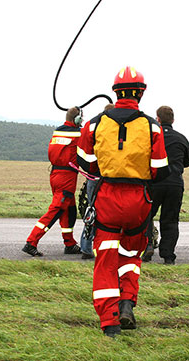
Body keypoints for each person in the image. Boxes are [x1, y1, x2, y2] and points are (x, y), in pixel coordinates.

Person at [77, 66, 170, 337]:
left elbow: (86, 162)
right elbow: (161, 169)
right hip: (139, 199)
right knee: (131, 254)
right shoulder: (152, 126)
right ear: (140, 94)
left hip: (107, 197)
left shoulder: (94, 123)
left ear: (115, 92)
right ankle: (127, 302)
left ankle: (110, 322)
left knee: (105, 257)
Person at [23, 107, 83, 257]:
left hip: (56, 174)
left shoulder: (58, 131)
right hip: (66, 177)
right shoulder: (77, 134)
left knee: (69, 210)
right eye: (81, 118)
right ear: (77, 119)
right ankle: (31, 242)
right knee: (56, 210)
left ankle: (69, 244)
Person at [143, 105, 189, 264]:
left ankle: (147, 246)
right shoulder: (181, 138)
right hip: (175, 184)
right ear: (173, 120)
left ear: (157, 119)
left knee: (146, 216)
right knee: (170, 220)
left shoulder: (151, 137)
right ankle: (168, 255)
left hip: (154, 182)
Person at [78, 103, 115, 260]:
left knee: (92, 210)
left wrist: (91, 170)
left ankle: (86, 247)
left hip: (93, 176)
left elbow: (82, 152)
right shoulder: (113, 127)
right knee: (111, 213)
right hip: (109, 177)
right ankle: (108, 248)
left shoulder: (91, 125)